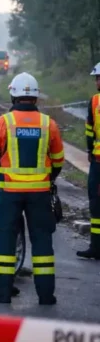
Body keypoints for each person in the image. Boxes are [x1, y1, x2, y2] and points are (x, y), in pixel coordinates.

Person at [0, 72, 64, 305]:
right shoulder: (49, 124)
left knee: (5, 241)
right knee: (43, 243)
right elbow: (58, 160)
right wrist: (48, 180)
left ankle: (2, 293)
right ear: (36, 98)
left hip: (9, 194)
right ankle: (46, 296)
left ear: (13, 95)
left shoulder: (3, 123)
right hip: (40, 194)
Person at [80, 62, 100, 259]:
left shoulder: (94, 101)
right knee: (95, 204)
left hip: (97, 161)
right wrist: (89, 149)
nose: (96, 82)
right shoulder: (94, 101)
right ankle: (96, 247)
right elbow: (89, 130)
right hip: (97, 160)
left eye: (98, 78)